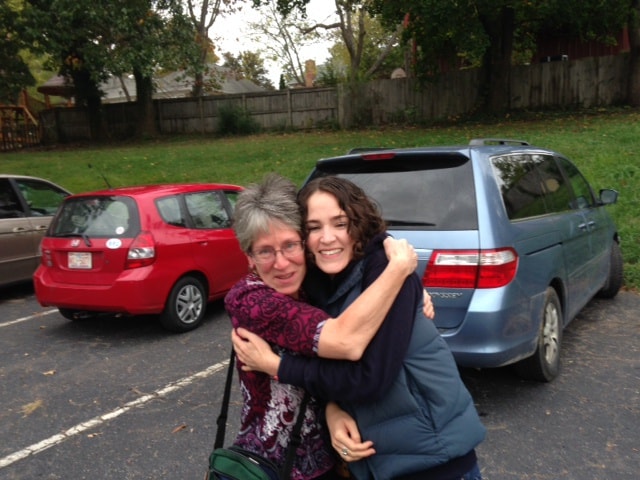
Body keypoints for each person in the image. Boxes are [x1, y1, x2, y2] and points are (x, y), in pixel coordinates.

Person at [232, 176, 486, 480]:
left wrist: (277, 365)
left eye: (340, 223)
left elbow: (368, 377)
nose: (327, 238)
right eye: (314, 227)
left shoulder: (384, 269)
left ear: (358, 225)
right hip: (371, 465)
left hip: (435, 464)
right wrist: (334, 408)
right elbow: (330, 361)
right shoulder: (319, 287)